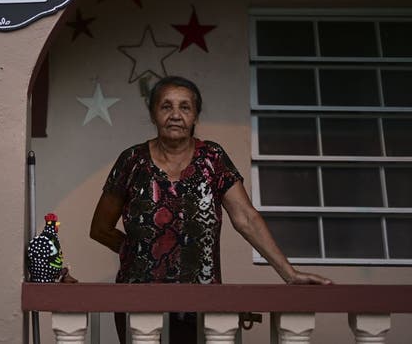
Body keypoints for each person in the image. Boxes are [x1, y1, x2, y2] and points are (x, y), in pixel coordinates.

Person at [89, 76, 332, 344]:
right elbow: (100, 229)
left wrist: (289, 273)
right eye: (166, 106)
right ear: (153, 113)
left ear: (195, 116)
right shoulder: (132, 161)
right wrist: (136, 250)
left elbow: (246, 218)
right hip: (138, 302)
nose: (176, 115)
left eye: (185, 107)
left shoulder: (212, 159)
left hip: (200, 303)